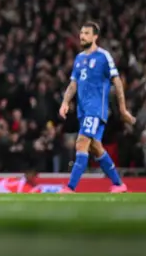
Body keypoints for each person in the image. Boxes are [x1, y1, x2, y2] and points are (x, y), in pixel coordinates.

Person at [59, 21, 136, 193]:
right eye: (81, 33)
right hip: (82, 111)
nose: (82, 36)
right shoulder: (79, 58)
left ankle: (70, 187)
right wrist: (65, 102)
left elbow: (117, 82)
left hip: (96, 109)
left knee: (81, 143)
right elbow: (73, 84)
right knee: (95, 147)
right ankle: (119, 184)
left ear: (95, 36)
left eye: (86, 33)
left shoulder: (103, 56)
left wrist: (122, 110)